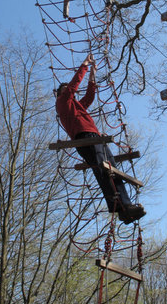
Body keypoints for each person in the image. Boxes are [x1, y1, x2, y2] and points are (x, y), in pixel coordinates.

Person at [55, 53, 146, 224]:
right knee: (104, 170)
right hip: (84, 138)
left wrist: (92, 75)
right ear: (60, 93)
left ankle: (124, 206)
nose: (69, 91)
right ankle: (120, 206)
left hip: (95, 137)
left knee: (112, 168)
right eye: (65, 90)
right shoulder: (62, 103)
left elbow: (89, 97)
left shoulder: (76, 105)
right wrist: (84, 64)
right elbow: (73, 85)